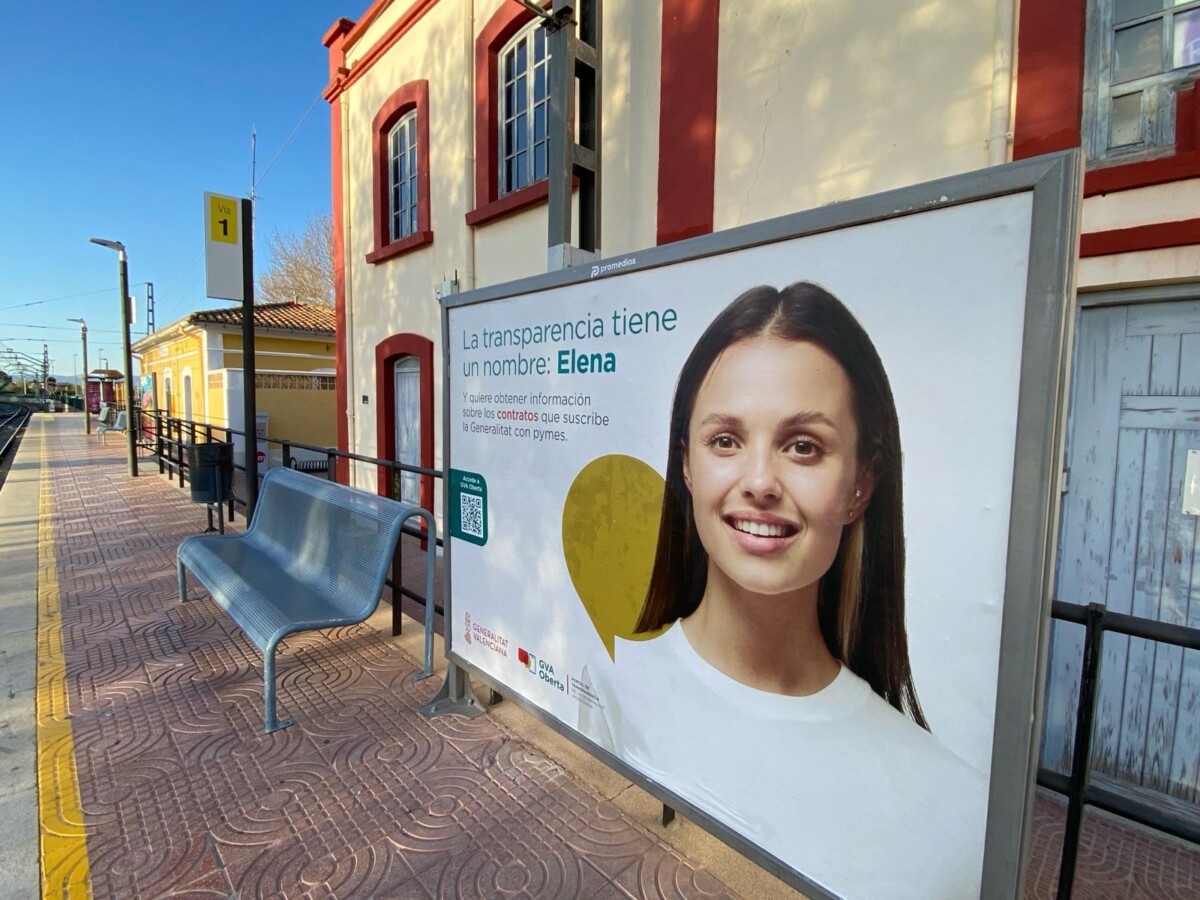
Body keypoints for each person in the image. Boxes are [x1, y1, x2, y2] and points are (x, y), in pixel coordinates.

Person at [578, 282, 988, 899]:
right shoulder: (610, 688)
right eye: (725, 440)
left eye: (804, 446)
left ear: (861, 485)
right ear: (686, 463)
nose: (761, 481)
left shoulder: (956, 809)